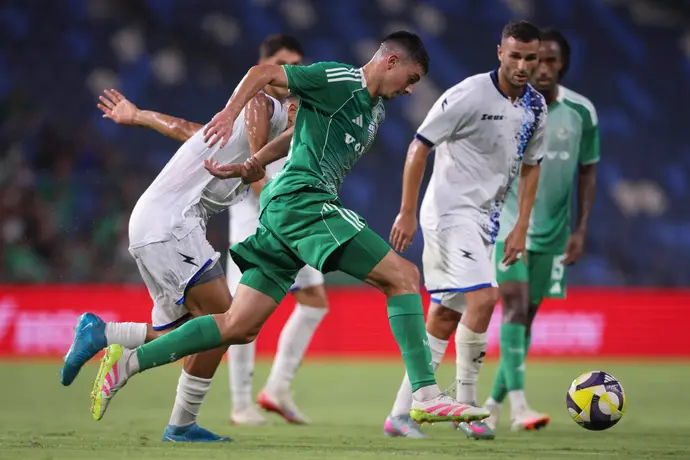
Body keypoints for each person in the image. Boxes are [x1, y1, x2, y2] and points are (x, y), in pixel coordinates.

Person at [88, 31, 491, 427]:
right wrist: (228, 114)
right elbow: (261, 73)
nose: (410, 89)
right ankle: (425, 395)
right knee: (403, 276)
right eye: (411, 78)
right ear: (391, 61)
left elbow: (296, 135)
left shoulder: (376, 111)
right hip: (304, 202)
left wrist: (254, 162)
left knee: (238, 326)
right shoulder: (338, 79)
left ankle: (127, 364)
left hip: (285, 210)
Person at [62, 35, 323, 426]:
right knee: (229, 323)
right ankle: (135, 371)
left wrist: (139, 115)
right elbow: (255, 152)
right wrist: (275, 202)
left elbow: (187, 128)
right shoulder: (262, 104)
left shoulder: (242, 126)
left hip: (157, 222)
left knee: (194, 333)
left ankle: (108, 337)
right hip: (171, 224)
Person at [383, 21, 546, 439]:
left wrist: (521, 226)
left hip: (485, 221)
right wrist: (406, 212)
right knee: (485, 297)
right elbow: (419, 146)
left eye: (530, 58)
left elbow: (532, 167)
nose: (522, 65)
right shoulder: (468, 94)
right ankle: (469, 410)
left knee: (445, 315)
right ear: (500, 53)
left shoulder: (536, 107)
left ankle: (400, 414)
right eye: (515, 55)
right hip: (449, 213)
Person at [484, 27, 599, 432]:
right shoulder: (509, 108)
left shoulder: (582, 112)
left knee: (525, 320)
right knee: (515, 307)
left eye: (551, 60)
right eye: (537, 60)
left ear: (562, 64)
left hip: (553, 234)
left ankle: (491, 406)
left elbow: (588, 173)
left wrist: (579, 230)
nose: (543, 68)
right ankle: (520, 407)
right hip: (508, 226)